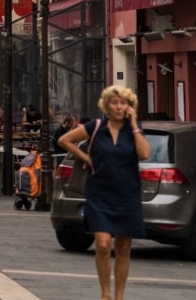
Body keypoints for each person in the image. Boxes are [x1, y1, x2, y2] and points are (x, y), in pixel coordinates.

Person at [58, 85, 150, 300]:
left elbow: (145, 153)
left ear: (129, 106)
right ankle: (105, 295)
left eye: (123, 103)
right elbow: (64, 140)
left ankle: (119, 296)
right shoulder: (96, 126)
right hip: (99, 193)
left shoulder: (134, 130)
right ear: (107, 105)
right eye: (114, 102)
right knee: (102, 244)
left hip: (127, 194)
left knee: (124, 246)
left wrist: (134, 124)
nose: (119, 107)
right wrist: (86, 158)